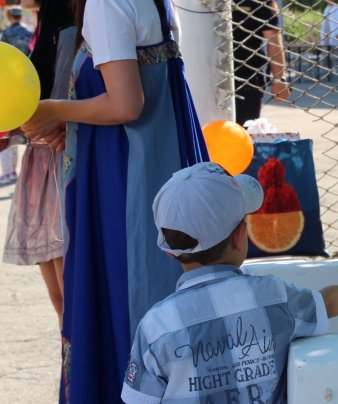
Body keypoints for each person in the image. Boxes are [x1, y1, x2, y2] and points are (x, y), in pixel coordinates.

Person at [20, 0, 209, 402]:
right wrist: (71, 121)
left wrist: (51, 109)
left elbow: (126, 103)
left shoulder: (105, 4)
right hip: (158, 162)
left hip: (124, 180)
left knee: (126, 296)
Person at [120, 162, 338, 403]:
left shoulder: (156, 326)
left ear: (169, 250)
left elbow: (139, 399)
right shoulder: (273, 296)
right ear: (240, 236)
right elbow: (325, 303)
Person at [2, 0, 73, 330]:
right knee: (61, 301)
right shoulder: (47, 30)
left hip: (59, 162)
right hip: (42, 162)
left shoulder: (70, 32)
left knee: (67, 298)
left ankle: (75, 377)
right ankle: (70, 376)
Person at [233, 0, 291, 126]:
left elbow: (274, 39)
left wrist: (279, 79)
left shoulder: (259, 2)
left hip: (247, 77)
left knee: (243, 130)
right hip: (208, 74)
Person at [0, 5, 33, 185]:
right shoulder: (29, 31)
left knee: (5, 129)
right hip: (26, 82)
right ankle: (14, 170)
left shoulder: (6, 35)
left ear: (11, 17)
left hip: (7, 85)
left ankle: (7, 172)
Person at [319, 0, 338, 81]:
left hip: (334, 33)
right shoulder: (326, 8)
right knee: (324, 52)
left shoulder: (337, 8)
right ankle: (323, 69)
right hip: (326, 33)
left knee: (335, 52)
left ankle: (335, 69)